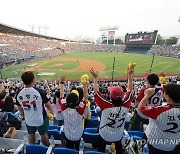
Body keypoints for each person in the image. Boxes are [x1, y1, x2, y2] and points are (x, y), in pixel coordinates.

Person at [90, 68, 134, 153]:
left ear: (111, 97)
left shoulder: (106, 104)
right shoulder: (126, 104)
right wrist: (130, 77)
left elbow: (96, 91)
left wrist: (95, 79)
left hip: (104, 134)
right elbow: (130, 91)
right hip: (118, 134)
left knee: (101, 149)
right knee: (118, 147)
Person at [138, 84, 180, 154]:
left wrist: (147, 96)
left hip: (154, 143)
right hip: (173, 145)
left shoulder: (160, 111)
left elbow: (140, 108)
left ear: (168, 97)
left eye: (165, 92)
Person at [16, 71, 54, 146]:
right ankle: (47, 148)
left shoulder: (19, 93)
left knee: (31, 134)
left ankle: (32, 147)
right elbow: (48, 105)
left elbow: (19, 106)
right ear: (33, 80)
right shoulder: (39, 91)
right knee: (43, 134)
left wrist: (23, 114)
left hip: (28, 118)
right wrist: (52, 112)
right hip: (40, 118)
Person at [59, 75, 87, 150]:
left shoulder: (64, 108)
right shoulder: (80, 110)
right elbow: (86, 99)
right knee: (78, 149)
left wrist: (62, 83)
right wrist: (84, 85)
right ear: (77, 102)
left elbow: (61, 95)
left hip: (68, 135)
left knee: (69, 149)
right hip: (78, 135)